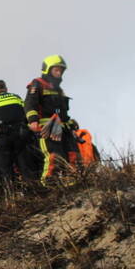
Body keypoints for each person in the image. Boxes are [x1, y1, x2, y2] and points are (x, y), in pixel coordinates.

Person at [25, 55, 80, 187]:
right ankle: (48, 187)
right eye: (56, 70)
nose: (59, 73)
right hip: (47, 128)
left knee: (73, 157)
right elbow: (30, 103)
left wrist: (70, 121)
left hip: (62, 128)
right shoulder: (37, 83)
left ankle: (73, 185)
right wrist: (33, 120)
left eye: (61, 70)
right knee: (54, 158)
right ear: (47, 69)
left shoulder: (59, 90)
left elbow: (61, 111)